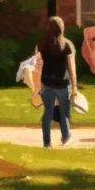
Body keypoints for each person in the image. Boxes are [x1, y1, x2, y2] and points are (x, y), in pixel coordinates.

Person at [34, 16, 77, 147]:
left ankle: (47, 142)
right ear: (61, 28)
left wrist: (37, 87)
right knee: (64, 111)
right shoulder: (66, 45)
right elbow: (71, 67)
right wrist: (74, 85)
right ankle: (65, 136)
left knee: (48, 112)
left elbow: (37, 66)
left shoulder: (41, 44)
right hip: (63, 83)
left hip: (46, 83)